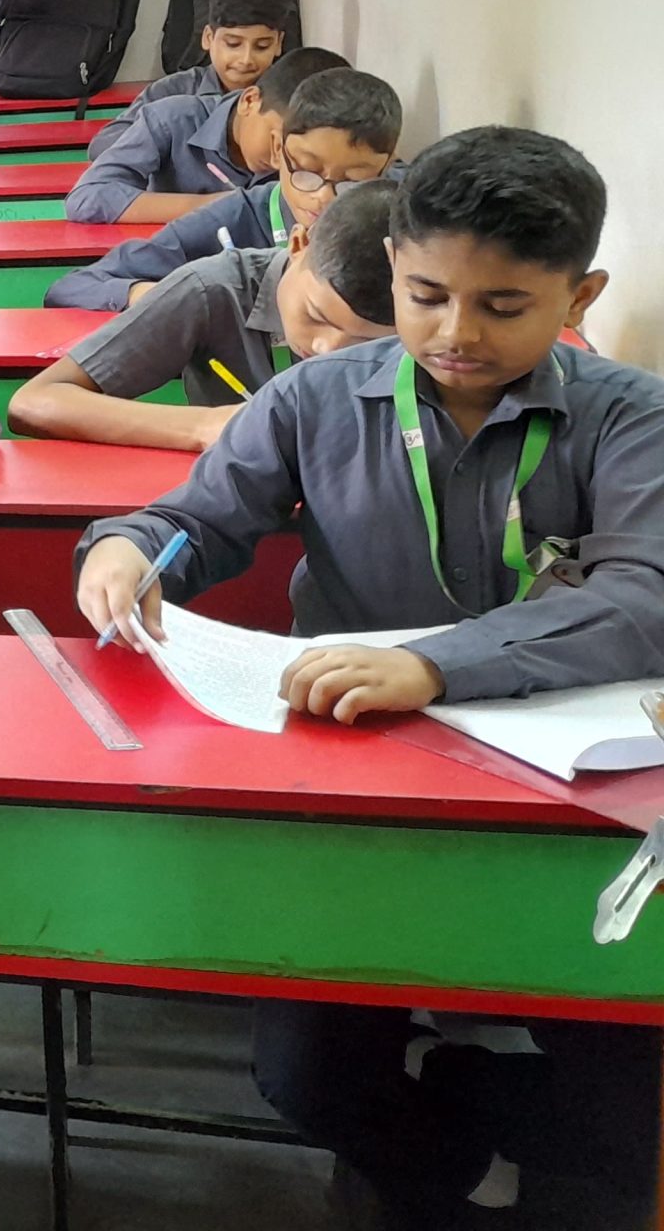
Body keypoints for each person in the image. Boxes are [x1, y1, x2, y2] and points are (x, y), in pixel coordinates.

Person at [75, 128, 664, 1229]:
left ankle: (466, 1091)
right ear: (392, 265)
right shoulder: (313, 398)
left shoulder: (632, 417)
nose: (455, 334)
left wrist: (431, 663)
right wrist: (125, 547)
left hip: (570, 798)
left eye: (503, 307)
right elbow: (196, 521)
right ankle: (437, 1162)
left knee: (633, 1102)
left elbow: (645, 598)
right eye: (426, 295)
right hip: (349, 783)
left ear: (578, 294)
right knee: (305, 1076)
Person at [13, 181, 397, 450]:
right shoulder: (213, 289)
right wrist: (205, 426)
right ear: (299, 244)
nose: (327, 348)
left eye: (365, 341)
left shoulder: (423, 321)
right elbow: (34, 403)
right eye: (317, 315)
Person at [47, 62, 398, 311]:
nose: (324, 196)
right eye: (306, 170)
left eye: (354, 181)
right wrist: (168, 297)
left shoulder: (405, 215)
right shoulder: (236, 215)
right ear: (279, 150)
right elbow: (73, 287)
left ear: (388, 168)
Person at [62, 48, 333, 224]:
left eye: (296, 155)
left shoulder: (328, 157)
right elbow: (87, 198)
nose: (278, 162)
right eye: (276, 141)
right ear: (250, 101)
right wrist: (223, 206)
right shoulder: (172, 119)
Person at [102, 0, 296, 134]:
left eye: (262, 46)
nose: (246, 59)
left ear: (278, 43)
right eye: (233, 44)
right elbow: (105, 142)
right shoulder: (173, 90)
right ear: (208, 38)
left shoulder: (293, 94)